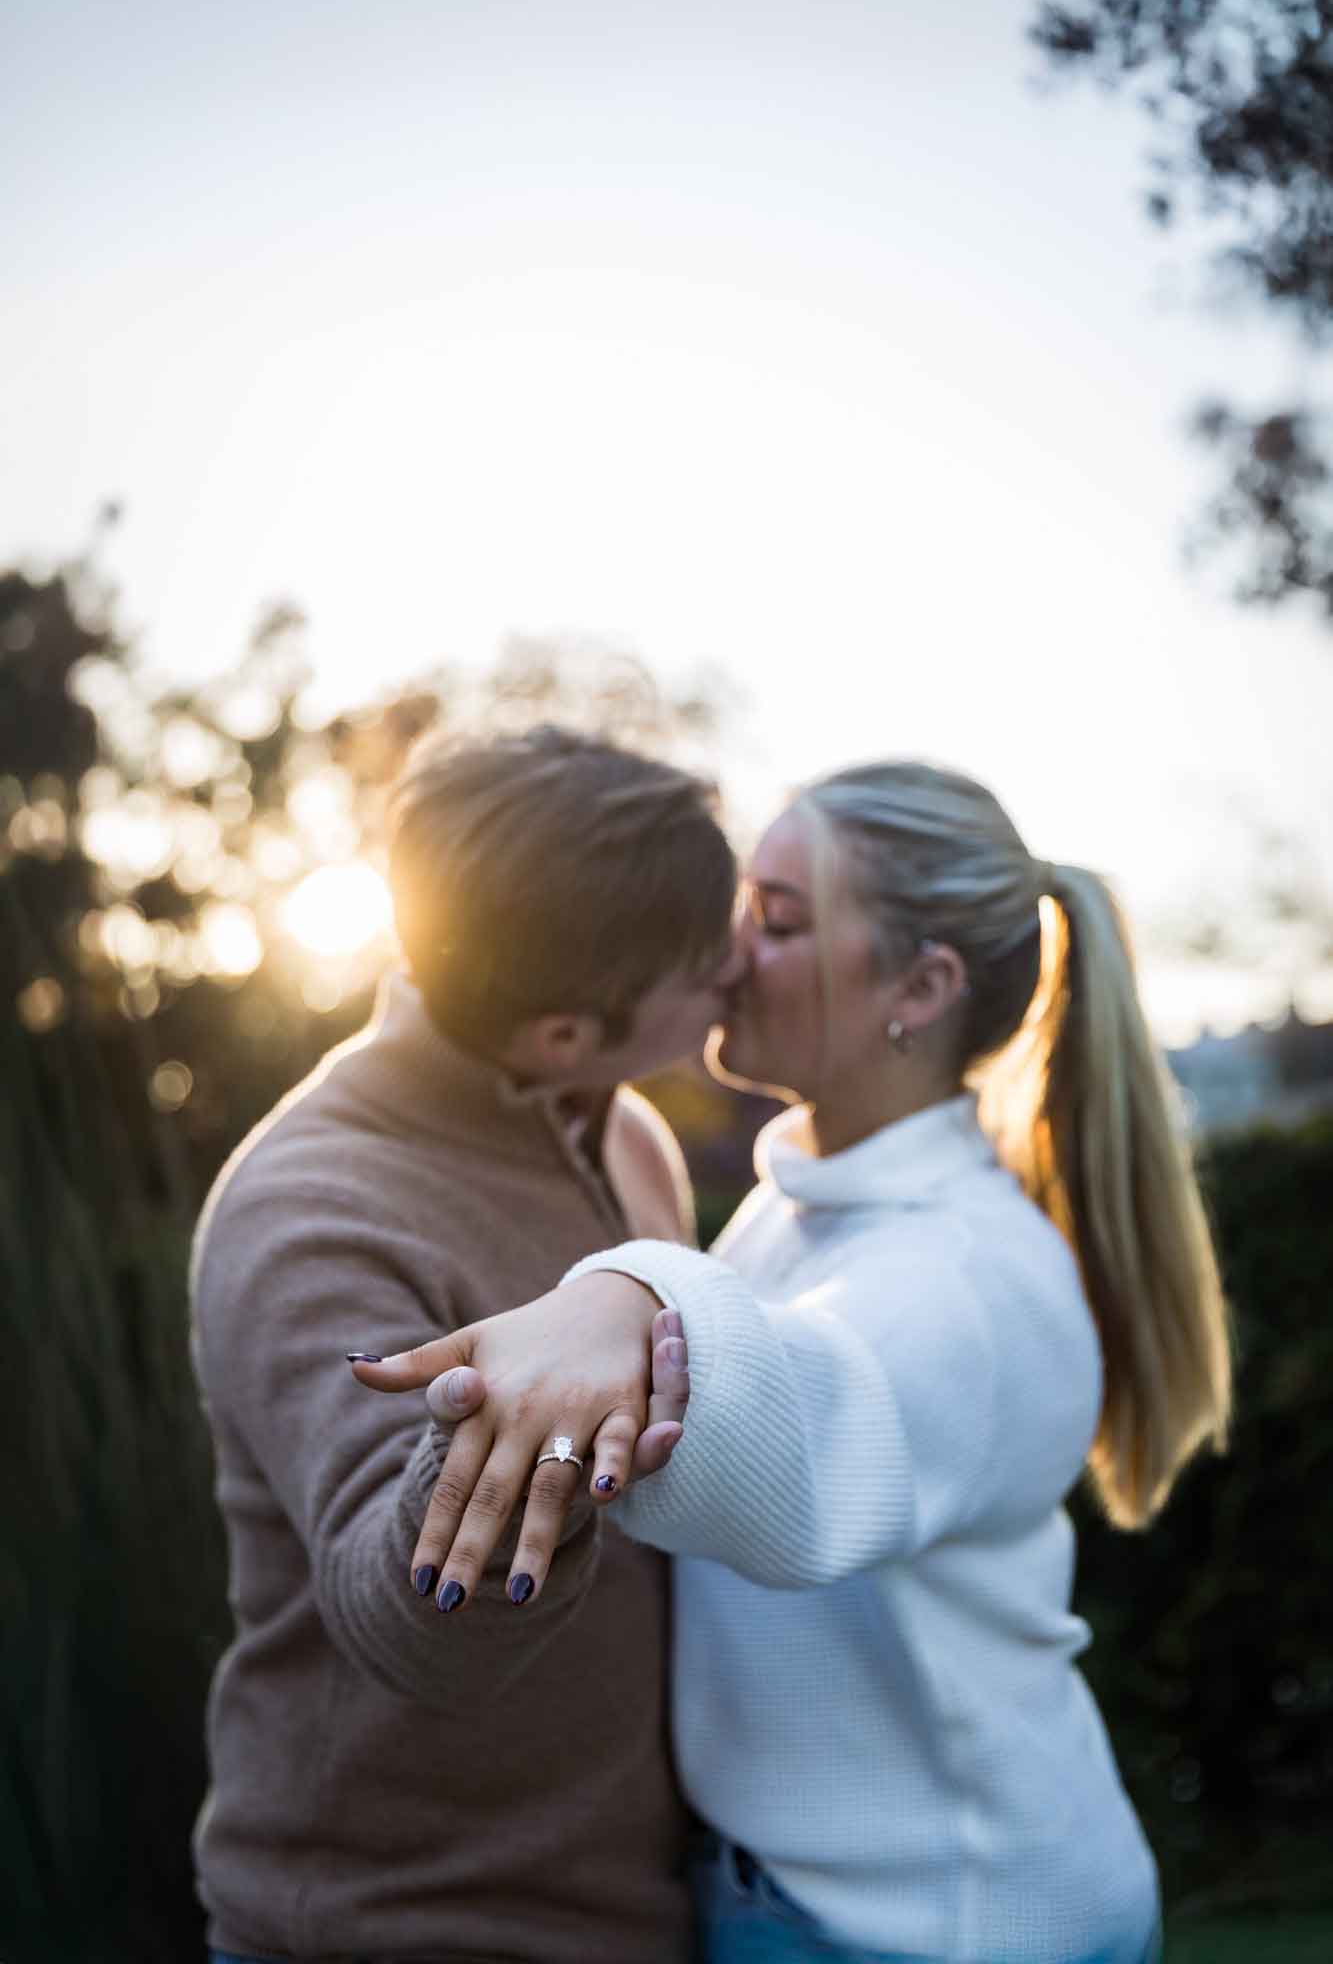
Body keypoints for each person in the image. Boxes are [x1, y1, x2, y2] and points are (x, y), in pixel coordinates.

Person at [355, 758, 1232, 1964]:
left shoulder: (966, 1274)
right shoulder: (798, 1204)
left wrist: (625, 1292)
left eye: (776, 919)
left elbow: (805, 1425)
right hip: (819, 1904)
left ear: (916, 987)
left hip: (943, 1923)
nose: (724, 950)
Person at [189, 724, 742, 1964]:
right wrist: (510, 1444)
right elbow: (402, 1621)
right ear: (563, 1030)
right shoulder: (309, 1207)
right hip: (391, 1929)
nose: (740, 964)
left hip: (628, 1910)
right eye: (705, 964)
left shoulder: (626, 1132)